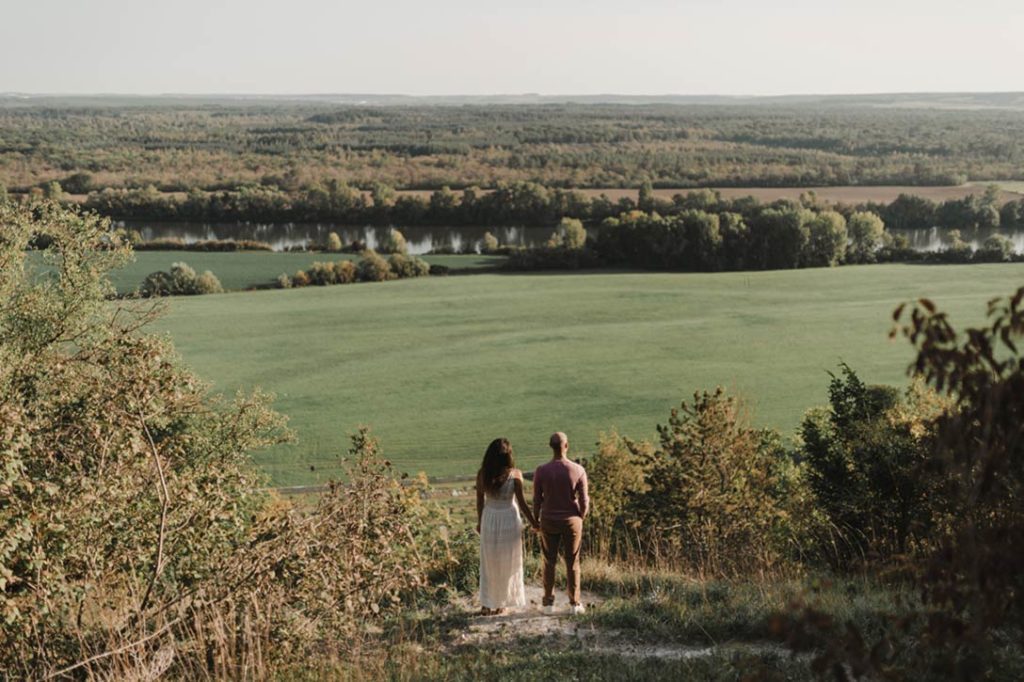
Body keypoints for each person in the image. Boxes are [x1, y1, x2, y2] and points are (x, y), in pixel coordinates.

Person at [475, 438, 539, 615]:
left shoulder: (483, 474)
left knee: (489, 562)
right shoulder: (515, 475)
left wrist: (480, 522)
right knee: (508, 562)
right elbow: (522, 503)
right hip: (509, 519)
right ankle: (501, 602)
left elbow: (480, 502)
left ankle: (486, 604)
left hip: (490, 517)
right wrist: (535, 523)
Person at [533, 431, 589, 615]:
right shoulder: (578, 470)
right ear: (566, 446)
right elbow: (584, 501)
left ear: (551, 447)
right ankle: (575, 603)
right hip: (571, 521)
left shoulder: (541, 471)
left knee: (549, 561)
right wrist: (580, 517)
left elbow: (536, 500)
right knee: (573, 562)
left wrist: (536, 520)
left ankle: (548, 604)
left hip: (548, 520)